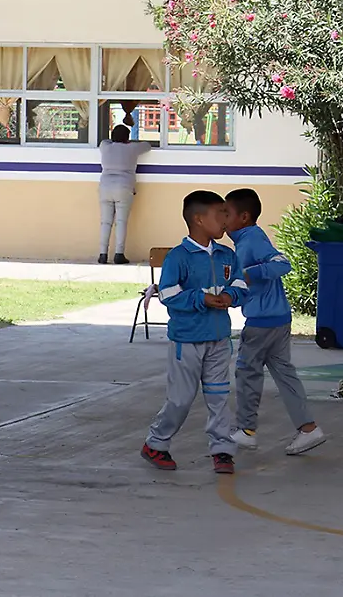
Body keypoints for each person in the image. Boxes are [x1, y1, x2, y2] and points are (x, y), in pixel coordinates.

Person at [142, 190, 248, 475]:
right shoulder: (178, 257)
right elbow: (168, 294)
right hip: (186, 341)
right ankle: (156, 443)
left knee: (219, 397)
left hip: (219, 340)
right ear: (199, 219)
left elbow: (240, 284)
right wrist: (201, 299)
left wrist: (230, 296)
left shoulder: (227, 255)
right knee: (181, 399)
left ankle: (223, 450)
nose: (226, 219)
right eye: (220, 214)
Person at [224, 188, 326, 456]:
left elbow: (282, 263)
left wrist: (248, 274)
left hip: (261, 322)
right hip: (278, 319)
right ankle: (308, 428)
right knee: (284, 374)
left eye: (227, 213)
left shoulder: (251, 240)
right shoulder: (245, 241)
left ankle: (246, 430)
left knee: (247, 372)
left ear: (244, 217)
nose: (222, 219)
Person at [98, 124, 152, 265]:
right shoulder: (132, 148)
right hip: (124, 187)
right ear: (127, 138)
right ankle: (119, 254)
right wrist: (130, 143)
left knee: (105, 222)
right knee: (121, 222)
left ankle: (103, 254)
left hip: (105, 186)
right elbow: (147, 145)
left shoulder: (105, 147)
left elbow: (104, 141)